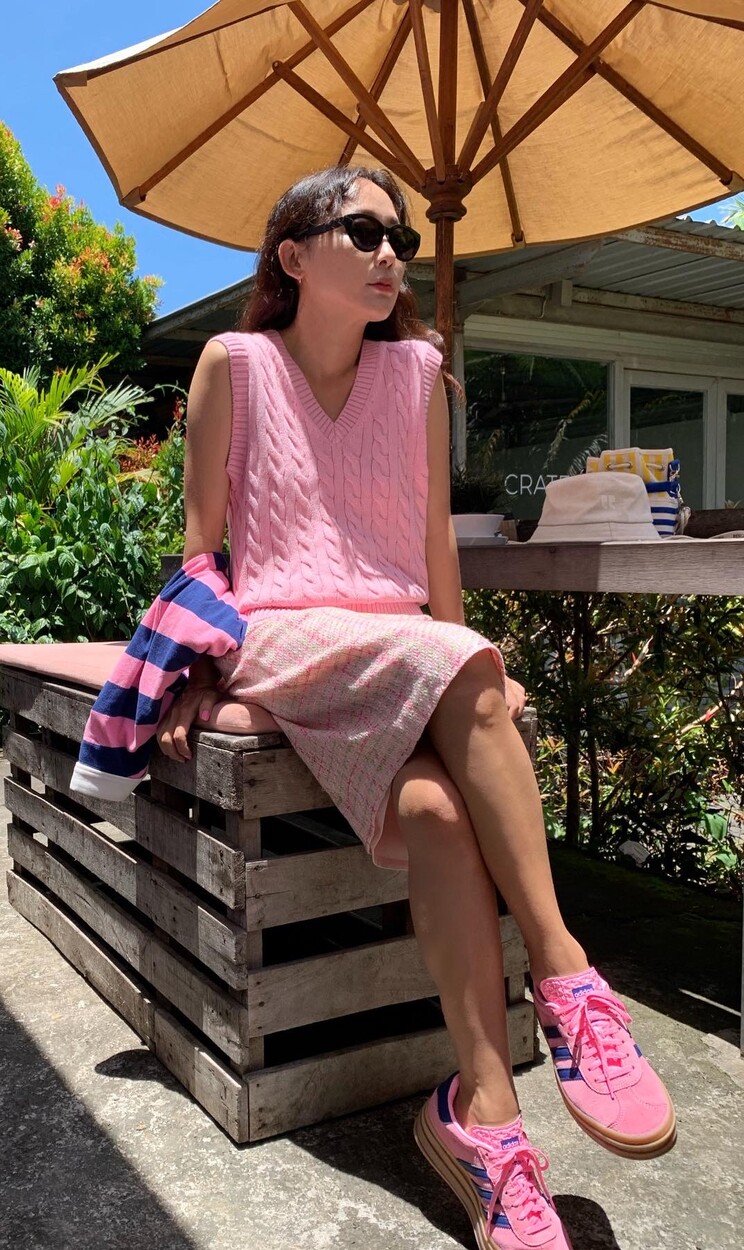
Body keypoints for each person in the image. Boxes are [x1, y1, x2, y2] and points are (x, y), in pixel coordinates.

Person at [155, 165, 675, 1250]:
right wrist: (192, 668)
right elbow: (201, 545)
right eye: (362, 230)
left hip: (398, 641)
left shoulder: (420, 374)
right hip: (282, 637)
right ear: (293, 256)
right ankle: (567, 974)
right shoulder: (233, 365)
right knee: (453, 668)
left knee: (438, 812)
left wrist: (467, 666)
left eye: (397, 235)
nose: (390, 251)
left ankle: (483, 1117)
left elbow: (435, 539)